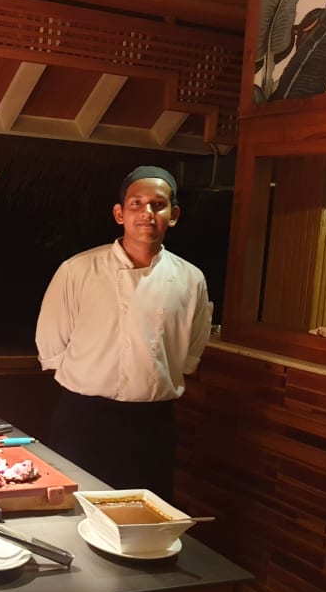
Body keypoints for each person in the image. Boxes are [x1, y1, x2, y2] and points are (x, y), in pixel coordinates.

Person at [35, 165, 212, 501]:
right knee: (72, 512)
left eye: (158, 205)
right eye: (136, 204)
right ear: (119, 214)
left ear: (173, 215)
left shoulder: (191, 279)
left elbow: (190, 350)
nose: (147, 213)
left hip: (152, 424)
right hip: (83, 419)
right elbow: (52, 345)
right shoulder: (78, 270)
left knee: (145, 515)